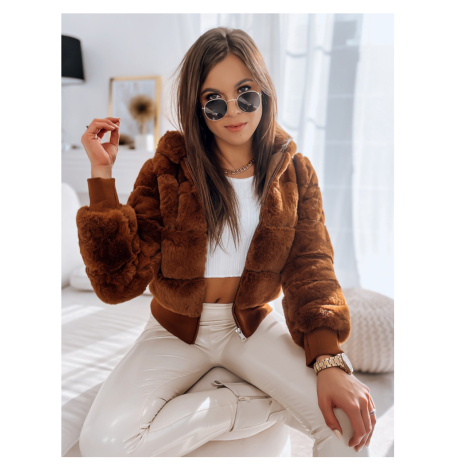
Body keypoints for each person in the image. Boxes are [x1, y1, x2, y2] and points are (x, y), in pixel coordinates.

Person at [75, 26, 376, 457]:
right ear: (198, 108)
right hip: (173, 330)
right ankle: (251, 403)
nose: (233, 110)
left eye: (245, 94)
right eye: (214, 100)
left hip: (250, 325)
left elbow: (311, 265)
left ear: (264, 91)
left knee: (348, 424)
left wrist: (329, 361)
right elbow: (118, 282)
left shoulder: (294, 172)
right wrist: (101, 177)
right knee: (103, 445)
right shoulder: (167, 169)